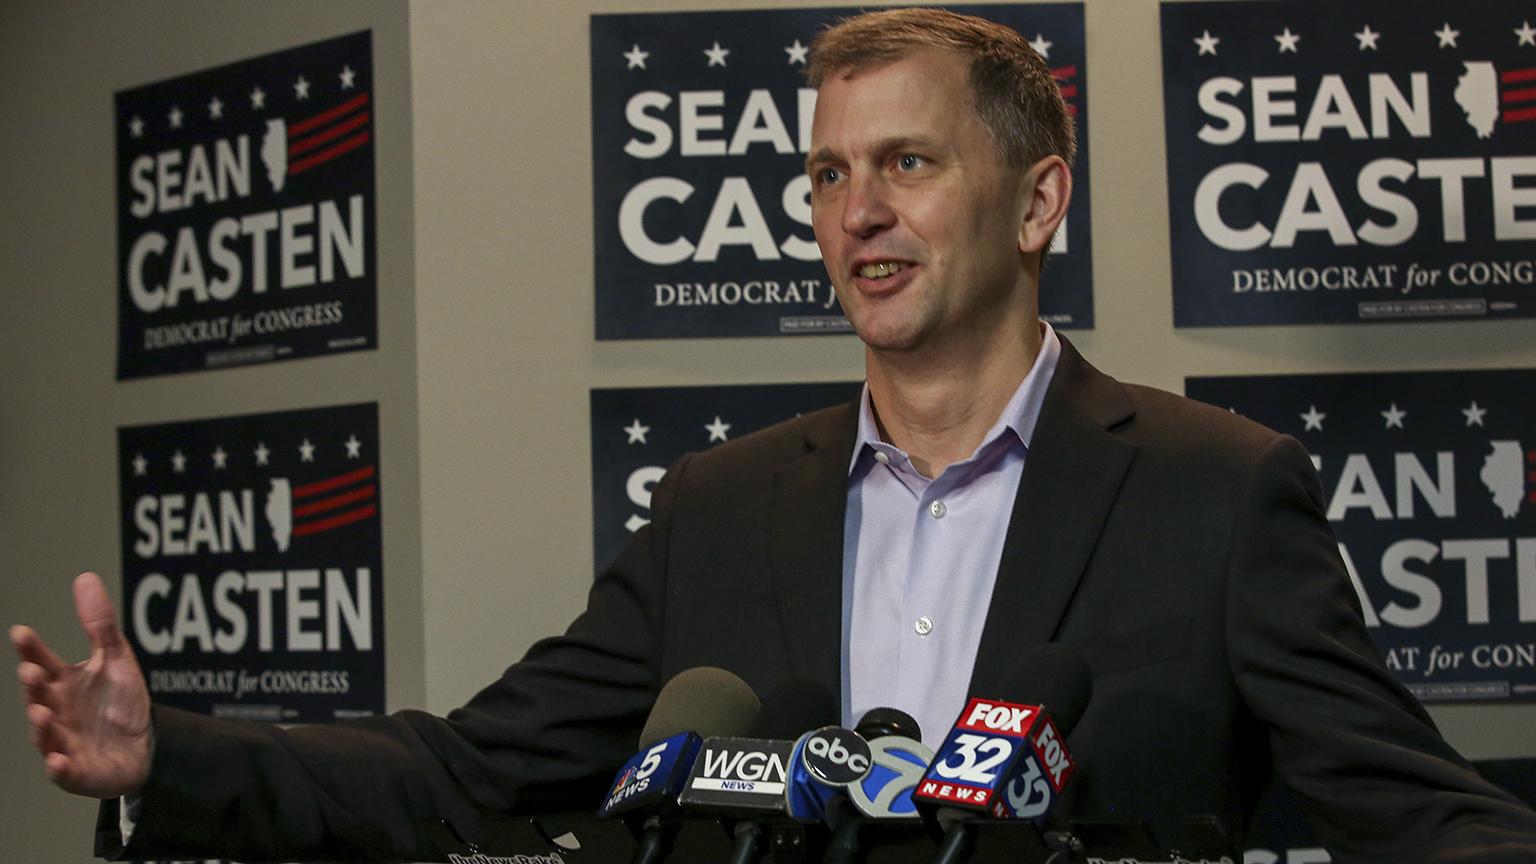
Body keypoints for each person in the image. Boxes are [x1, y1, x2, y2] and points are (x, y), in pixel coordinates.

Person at [13, 8, 1536, 863]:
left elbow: (1420, 817)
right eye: (824, 175)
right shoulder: (720, 509)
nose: (854, 212)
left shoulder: (1217, 492)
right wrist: (170, 758)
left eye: (908, 162)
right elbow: (470, 773)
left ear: (1040, 199)